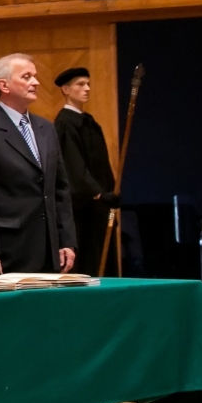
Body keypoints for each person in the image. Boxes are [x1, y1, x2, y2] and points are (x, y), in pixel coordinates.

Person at [0, 53, 76, 403]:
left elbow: (59, 189)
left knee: (36, 334)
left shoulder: (45, 128)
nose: (35, 82)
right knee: (5, 335)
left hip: (46, 247)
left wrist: (66, 239)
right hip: (9, 247)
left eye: (34, 76)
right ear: (3, 85)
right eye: (26, 76)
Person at [54, 67, 118, 277]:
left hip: (99, 206)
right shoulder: (65, 123)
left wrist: (110, 191)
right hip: (83, 208)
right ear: (66, 89)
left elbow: (101, 163)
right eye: (80, 84)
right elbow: (74, 166)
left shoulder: (89, 122)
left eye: (88, 84)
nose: (87, 88)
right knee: (88, 261)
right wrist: (97, 193)